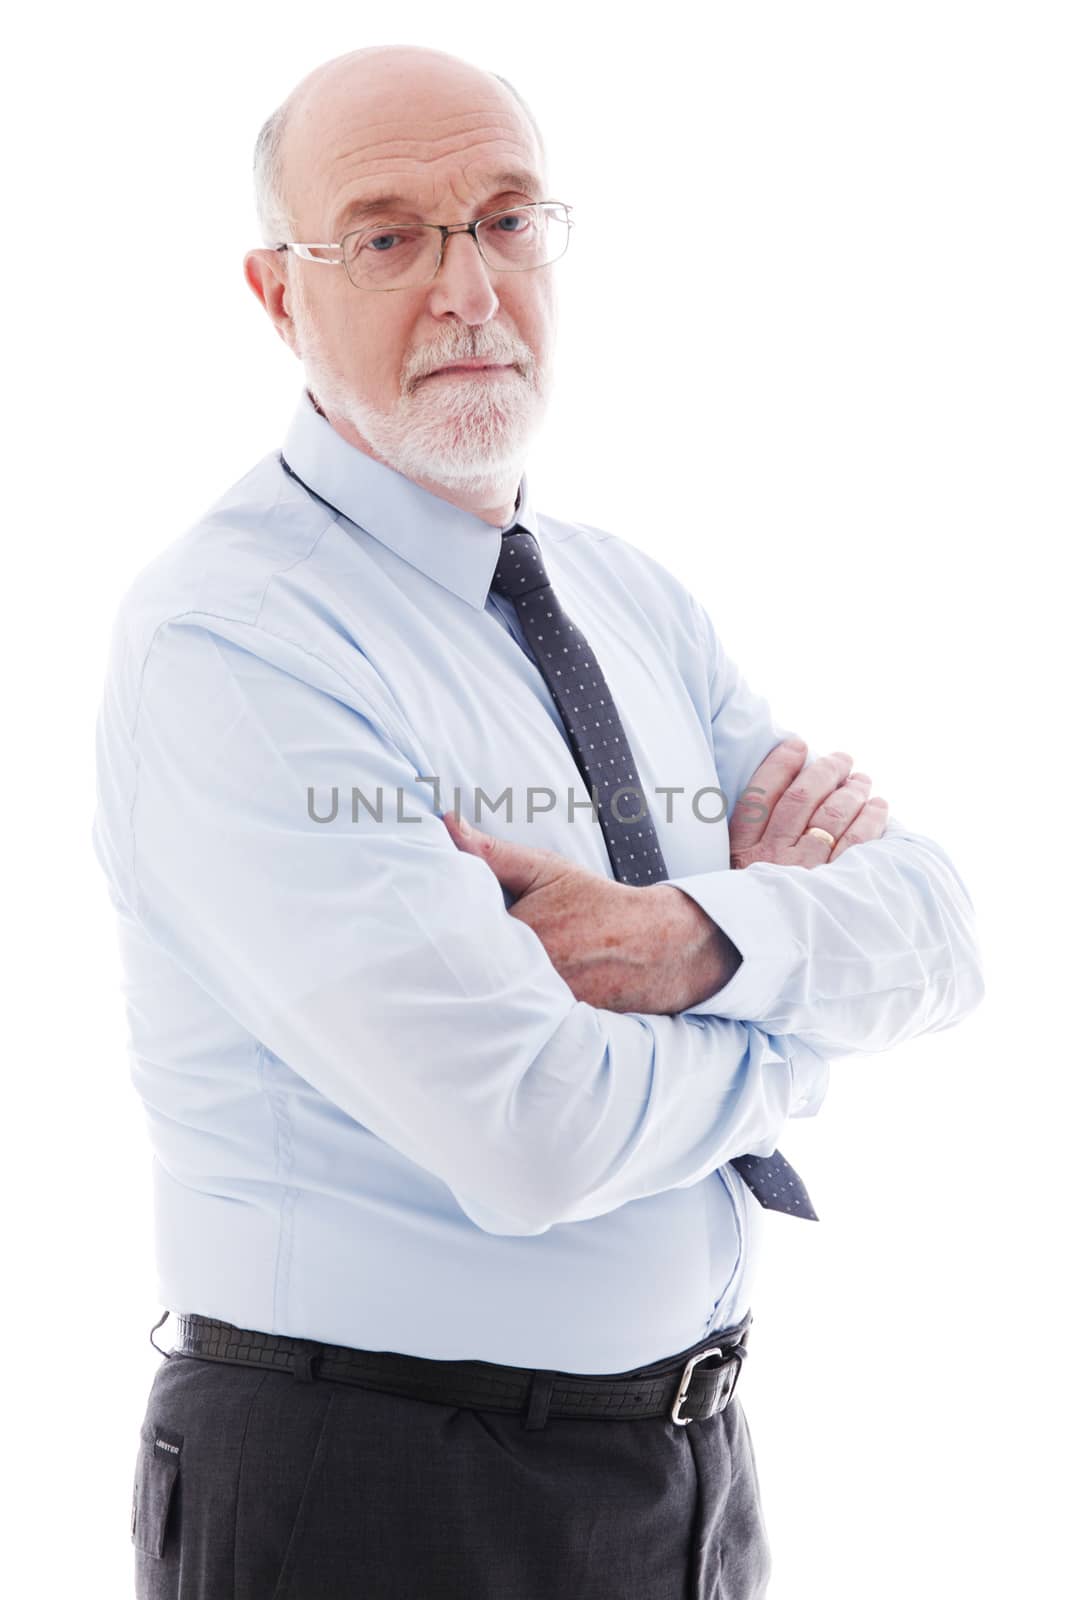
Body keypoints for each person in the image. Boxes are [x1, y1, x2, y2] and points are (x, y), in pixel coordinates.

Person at [91, 42, 986, 1600]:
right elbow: (530, 1131)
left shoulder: (628, 598)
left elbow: (945, 933)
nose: (467, 287)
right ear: (275, 293)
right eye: (387, 235)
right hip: (371, 1491)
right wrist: (795, 1016)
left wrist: (687, 942)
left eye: (506, 220)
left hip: (690, 1476)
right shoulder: (235, 646)